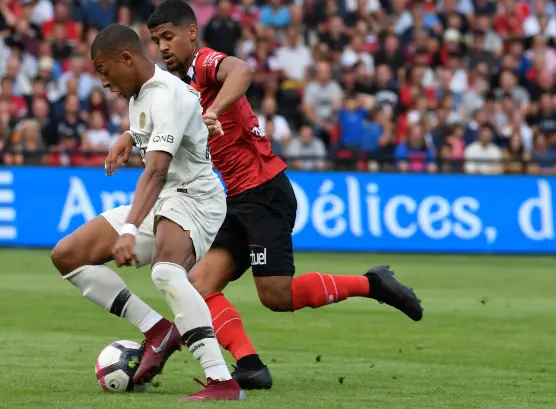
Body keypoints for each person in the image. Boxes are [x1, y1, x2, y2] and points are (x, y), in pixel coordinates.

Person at [108, 0, 423, 391]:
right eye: (156, 41)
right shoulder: (176, 87)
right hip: (235, 199)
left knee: (276, 295)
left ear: (191, 33)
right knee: (198, 285)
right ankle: (251, 366)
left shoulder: (204, 63)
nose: (163, 47)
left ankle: (372, 284)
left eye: (169, 37)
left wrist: (217, 109)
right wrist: (127, 136)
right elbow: (158, 120)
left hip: (265, 190)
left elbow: (242, 70)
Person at [50, 24, 244, 401]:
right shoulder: (142, 92)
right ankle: (157, 331)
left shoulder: (165, 95)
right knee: (68, 255)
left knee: (167, 272)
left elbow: (155, 170)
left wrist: (129, 229)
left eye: (104, 72)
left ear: (126, 59)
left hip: (194, 199)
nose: (103, 83)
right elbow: (158, 124)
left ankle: (222, 382)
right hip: (166, 199)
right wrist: (128, 135)